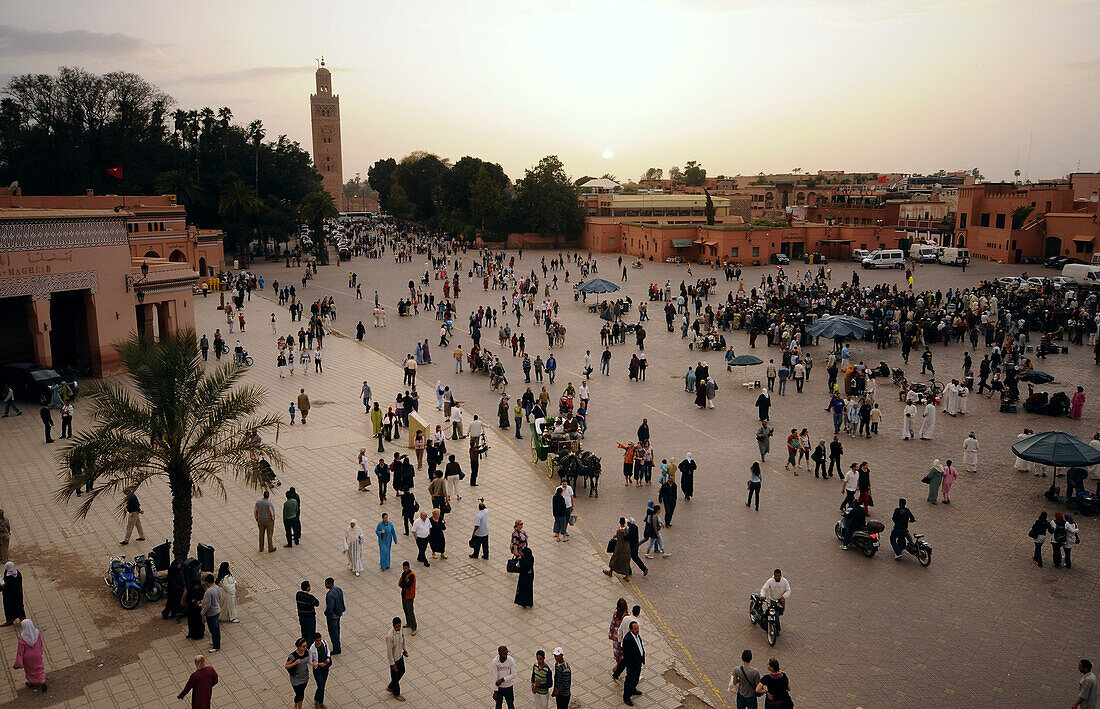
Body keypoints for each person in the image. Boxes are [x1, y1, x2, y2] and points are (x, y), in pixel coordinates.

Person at [12, 617, 45, 693]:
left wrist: (18, 662)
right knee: (39, 666)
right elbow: (40, 643)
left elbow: (20, 651)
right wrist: (40, 651)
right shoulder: (37, 633)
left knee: (29, 669)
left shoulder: (23, 638)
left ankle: (32, 681)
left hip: (27, 657)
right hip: (37, 654)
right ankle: (42, 680)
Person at [759, 569, 791, 634]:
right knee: (774, 615)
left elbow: (788, 590)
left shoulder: (785, 581)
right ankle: (777, 629)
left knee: (778, 614)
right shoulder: (770, 581)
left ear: (781, 575)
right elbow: (764, 589)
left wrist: (784, 596)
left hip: (780, 602)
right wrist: (762, 595)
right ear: (773, 575)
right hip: (773, 601)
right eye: (775, 576)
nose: (777, 577)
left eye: (778, 576)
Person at [621, 622, 645, 706]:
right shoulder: (627, 639)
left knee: (636, 678)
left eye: (638, 628)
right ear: (631, 629)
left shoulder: (637, 636)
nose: (637, 630)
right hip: (632, 665)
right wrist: (631, 665)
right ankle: (626, 696)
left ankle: (633, 689)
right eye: (635, 629)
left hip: (638, 662)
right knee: (629, 680)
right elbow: (627, 656)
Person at [386, 616, 409, 701]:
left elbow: (402, 640)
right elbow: (389, 652)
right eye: (397, 627)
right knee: (395, 677)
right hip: (394, 659)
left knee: (402, 671)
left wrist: (404, 650)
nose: (399, 628)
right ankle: (397, 693)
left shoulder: (401, 630)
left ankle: (391, 686)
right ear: (393, 626)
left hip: (400, 655)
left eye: (400, 626)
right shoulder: (390, 636)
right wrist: (392, 664)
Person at [284, 638, 311, 709]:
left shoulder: (306, 652)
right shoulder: (293, 656)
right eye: (303, 646)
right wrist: (294, 663)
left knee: (301, 693)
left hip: (305, 677)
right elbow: (286, 666)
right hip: (296, 679)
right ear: (298, 647)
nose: (305, 648)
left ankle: (296, 705)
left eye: (306, 646)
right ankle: (299, 707)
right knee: (300, 694)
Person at [309, 632, 332, 706]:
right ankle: (316, 700)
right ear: (314, 641)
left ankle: (321, 702)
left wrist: (328, 658)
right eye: (317, 641)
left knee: (323, 685)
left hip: (325, 667)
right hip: (318, 669)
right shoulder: (312, 649)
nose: (319, 642)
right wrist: (318, 664)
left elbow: (328, 651)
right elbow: (310, 661)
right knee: (320, 685)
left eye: (319, 640)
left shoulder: (324, 643)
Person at [200, 573, 222, 652]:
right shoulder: (217, 587)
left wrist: (203, 612)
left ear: (207, 582)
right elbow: (220, 597)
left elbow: (207, 604)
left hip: (211, 613)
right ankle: (215, 641)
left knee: (213, 629)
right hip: (217, 609)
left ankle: (216, 646)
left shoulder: (209, 592)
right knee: (215, 628)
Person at [492, 645, 519, 709]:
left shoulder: (511, 660)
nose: (506, 655)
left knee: (510, 705)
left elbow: (514, 674)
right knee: (498, 706)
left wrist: (503, 679)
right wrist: (495, 690)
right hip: (500, 688)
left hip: (509, 687)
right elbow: (495, 676)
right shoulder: (495, 662)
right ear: (500, 654)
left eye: (507, 653)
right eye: (504, 654)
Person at [323, 577, 345, 655]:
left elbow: (330, 607)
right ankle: (337, 643)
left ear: (329, 584)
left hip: (332, 616)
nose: (325, 585)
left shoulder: (330, 595)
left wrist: (326, 613)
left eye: (326, 583)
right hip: (338, 613)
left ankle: (336, 648)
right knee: (337, 629)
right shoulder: (338, 589)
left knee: (333, 632)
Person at [1, 561, 24, 626]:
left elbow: (7, 586)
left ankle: (11, 619)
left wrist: (2, 586)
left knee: (11, 607)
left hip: (10, 596)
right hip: (17, 594)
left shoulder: (9, 576)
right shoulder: (17, 573)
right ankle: (19, 618)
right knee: (18, 606)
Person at [398, 562, 417, 635]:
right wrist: (404, 585)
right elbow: (400, 583)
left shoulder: (411, 575)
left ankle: (414, 627)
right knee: (405, 608)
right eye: (403, 568)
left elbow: (408, 585)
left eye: (406, 568)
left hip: (409, 595)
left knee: (410, 611)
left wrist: (404, 584)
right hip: (404, 594)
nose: (405, 569)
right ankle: (408, 622)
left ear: (409, 567)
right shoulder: (403, 574)